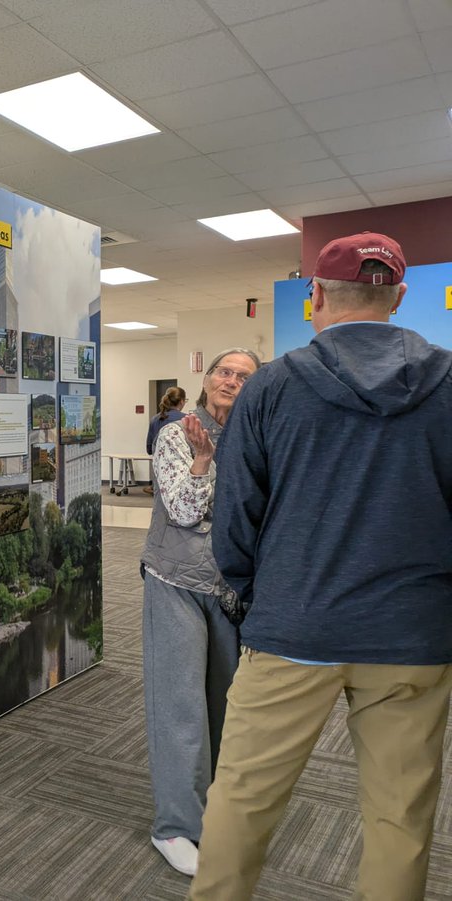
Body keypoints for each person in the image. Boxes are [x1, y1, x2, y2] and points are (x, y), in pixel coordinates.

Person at [192, 233, 452, 901]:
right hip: (413, 636)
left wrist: (258, 596)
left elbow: (234, 515)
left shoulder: (270, 386)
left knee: (242, 800)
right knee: (400, 818)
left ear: (314, 297)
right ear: (399, 296)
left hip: (292, 626)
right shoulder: (450, 383)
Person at [139, 347, 261, 876]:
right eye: (223, 372)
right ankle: (174, 826)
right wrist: (203, 462)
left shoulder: (255, 437)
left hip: (229, 591)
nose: (231, 381)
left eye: (243, 376)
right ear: (207, 379)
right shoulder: (177, 434)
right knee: (181, 708)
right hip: (177, 584)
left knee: (225, 708)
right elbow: (185, 510)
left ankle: (211, 811)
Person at [145, 386, 187, 455]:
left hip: (159, 460)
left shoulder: (154, 419)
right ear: (182, 401)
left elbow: (149, 449)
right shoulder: (186, 419)